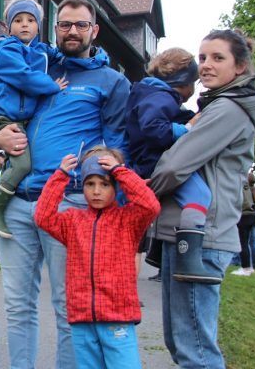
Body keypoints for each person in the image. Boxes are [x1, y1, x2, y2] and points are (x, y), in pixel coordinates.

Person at [0, 0, 131, 369]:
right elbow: (4, 106)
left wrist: (111, 207)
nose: (72, 31)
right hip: (18, 202)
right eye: (65, 24)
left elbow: (116, 147)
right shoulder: (36, 64)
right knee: (18, 305)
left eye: (80, 25)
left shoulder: (112, 81)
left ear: (94, 30)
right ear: (54, 28)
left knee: (68, 305)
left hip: (68, 204)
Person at [150, 29, 255, 368]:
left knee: (196, 351)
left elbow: (175, 165)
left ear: (240, 67)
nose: (206, 65)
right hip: (186, 234)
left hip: (203, 237)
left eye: (218, 58)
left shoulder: (228, 110)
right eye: (202, 57)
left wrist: (141, 190)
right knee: (181, 342)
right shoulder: (216, 106)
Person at [35, 147, 160, 369]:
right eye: (90, 184)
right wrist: (60, 176)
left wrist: (120, 171)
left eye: (105, 184)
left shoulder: (129, 220)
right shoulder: (72, 221)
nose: (96, 191)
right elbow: (43, 216)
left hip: (117, 317)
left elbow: (150, 205)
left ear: (116, 186)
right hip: (82, 319)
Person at [126, 47, 219, 283]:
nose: (195, 88)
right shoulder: (161, 97)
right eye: (194, 82)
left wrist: (187, 118)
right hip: (154, 161)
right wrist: (186, 129)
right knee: (199, 197)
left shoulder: (150, 94)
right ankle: (189, 259)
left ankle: (159, 254)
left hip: (146, 160)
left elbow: (166, 118)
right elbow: (154, 128)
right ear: (183, 82)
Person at [0, 0, 65, 238]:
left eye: (30, 20)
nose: (24, 25)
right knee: (23, 163)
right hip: (5, 117)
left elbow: (64, 56)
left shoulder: (40, 50)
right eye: (18, 21)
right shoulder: (7, 51)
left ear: (38, 26)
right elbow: (24, 76)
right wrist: (51, 85)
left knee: (20, 161)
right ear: (8, 28)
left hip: (23, 119)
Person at [231, 172, 255, 277]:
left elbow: (240, 202)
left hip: (245, 217)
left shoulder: (242, 186)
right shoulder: (250, 188)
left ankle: (246, 268)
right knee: (246, 243)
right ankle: (249, 267)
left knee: (243, 244)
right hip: (251, 217)